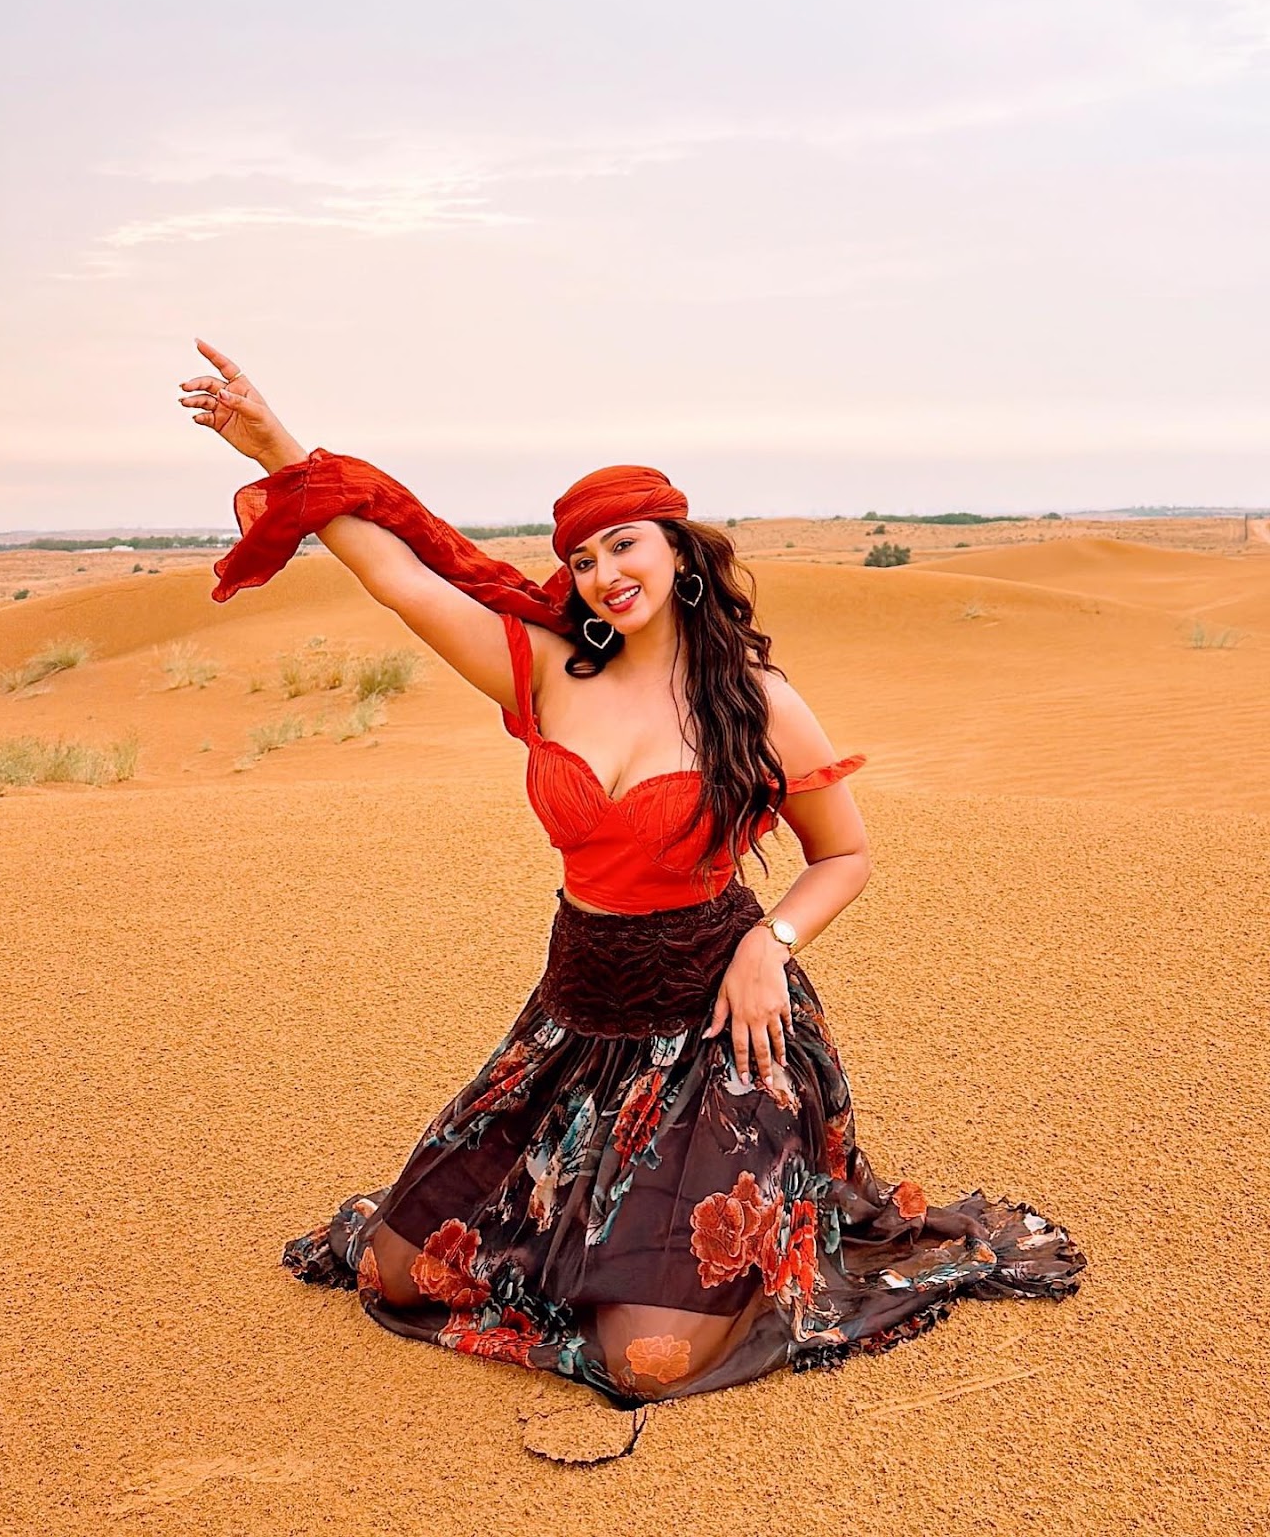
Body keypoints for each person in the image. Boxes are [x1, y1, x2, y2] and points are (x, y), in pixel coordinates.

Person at [180, 337, 1086, 1444]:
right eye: (583, 557)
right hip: (573, 1021)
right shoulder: (542, 670)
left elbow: (844, 853)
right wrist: (275, 445)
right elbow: (400, 576)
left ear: (677, 551)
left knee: (646, 1361)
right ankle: (585, 1250)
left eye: (625, 543)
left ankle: (701, 1246)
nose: (606, 571)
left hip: (719, 1033)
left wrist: (768, 945)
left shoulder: (755, 701)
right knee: (394, 1271)